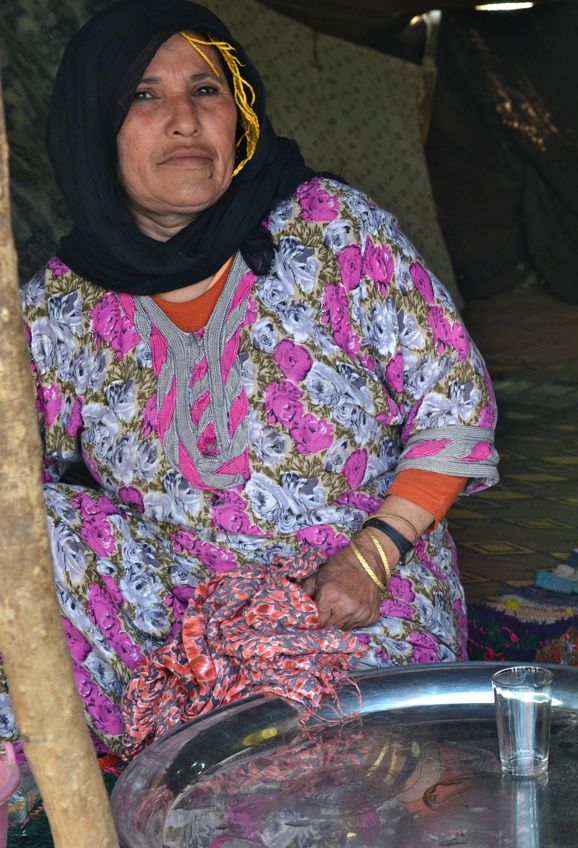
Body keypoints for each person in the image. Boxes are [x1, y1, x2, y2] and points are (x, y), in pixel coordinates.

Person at [0, 0, 498, 757]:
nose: (183, 120)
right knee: (30, 528)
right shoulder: (64, 306)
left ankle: (223, 752)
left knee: (331, 745)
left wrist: (374, 552)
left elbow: (454, 400)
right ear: (93, 131)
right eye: (144, 95)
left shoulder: (332, 230)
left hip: (347, 593)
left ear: (240, 113)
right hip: (173, 602)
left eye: (206, 90)